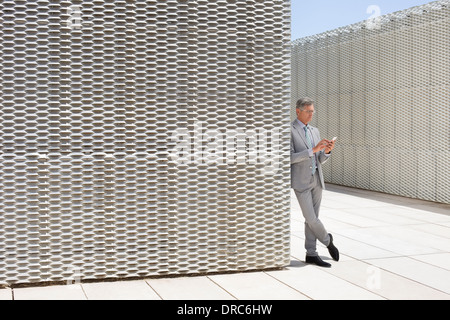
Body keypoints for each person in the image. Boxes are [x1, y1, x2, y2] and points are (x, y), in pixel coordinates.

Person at [291, 97, 339, 267]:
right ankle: (328, 241)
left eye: (313, 111)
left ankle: (311, 254)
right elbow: (289, 158)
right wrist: (312, 150)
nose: (311, 114)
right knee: (310, 218)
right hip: (301, 182)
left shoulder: (315, 131)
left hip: (317, 180)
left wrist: (326, 151)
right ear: (298, 111)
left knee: (312, 220)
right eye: (308, 111)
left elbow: (319, 159)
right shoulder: (289, 130)